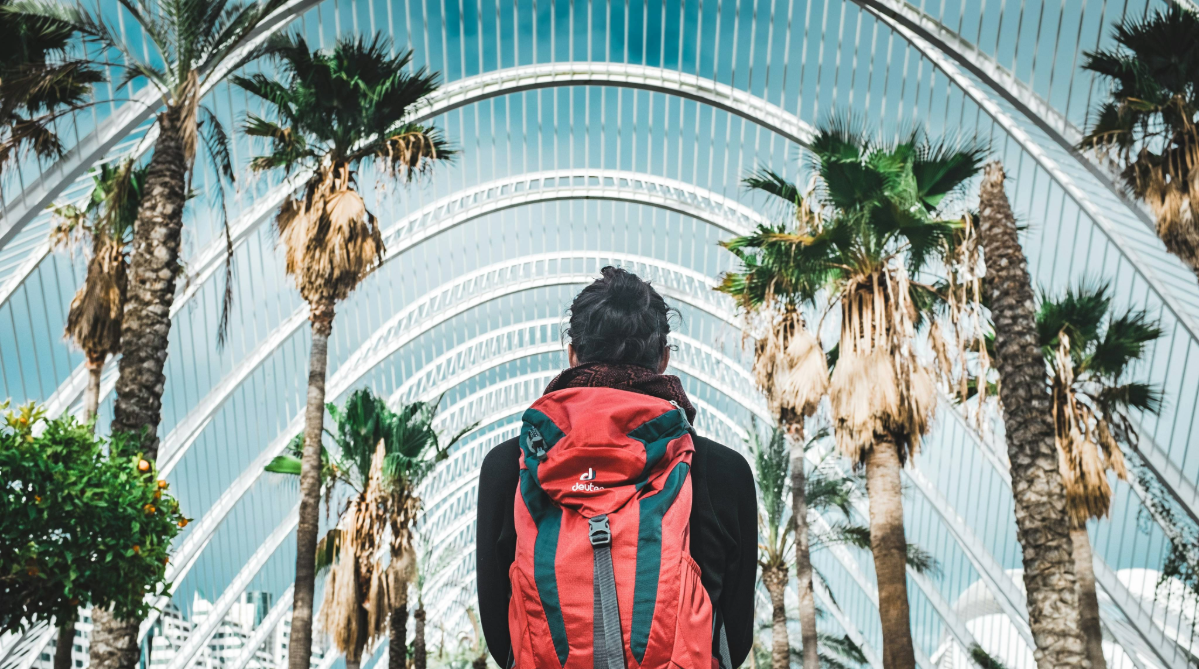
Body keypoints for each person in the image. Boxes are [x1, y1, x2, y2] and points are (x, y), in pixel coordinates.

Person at [476, 266, 757, 668]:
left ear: (572, 355)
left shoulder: (510, 465)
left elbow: (500, 635)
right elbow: (735, 637)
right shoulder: (720, 470)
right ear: (662, 359)